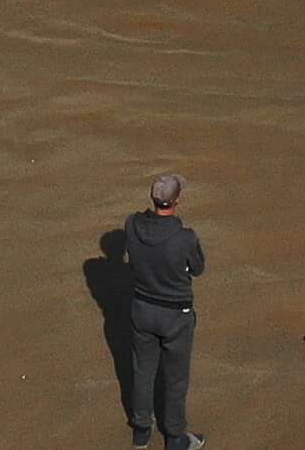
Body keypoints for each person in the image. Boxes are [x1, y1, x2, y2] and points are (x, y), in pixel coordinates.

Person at [120, 171, 205, 450]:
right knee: (175, 378)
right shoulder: (185, 238)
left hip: (142, 310)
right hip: (175, 316)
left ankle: (142, 432)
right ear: (176, 201)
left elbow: (131, 258)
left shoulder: (132, 225)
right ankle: (175, 437)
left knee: (142, 370)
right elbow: (198, 268)